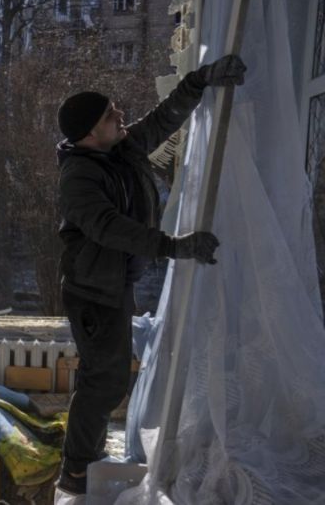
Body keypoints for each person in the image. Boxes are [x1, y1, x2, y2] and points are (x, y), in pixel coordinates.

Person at [54, 54, 245, 495]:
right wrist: (173, 247)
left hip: (111, 285)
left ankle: (83, 460)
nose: (119, 115)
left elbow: (161, 122)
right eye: (109, 114)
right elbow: (108, 227)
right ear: (89, 133)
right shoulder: (78, 177)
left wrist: (197, 82)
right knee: (106, 380)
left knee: (103, 377)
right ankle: (78, 469)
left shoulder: (118, 149)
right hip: (92, 293)